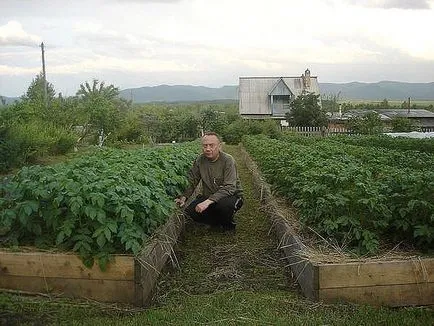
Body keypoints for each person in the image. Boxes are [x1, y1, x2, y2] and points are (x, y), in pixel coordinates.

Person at [175, 132, 243, 231]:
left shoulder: (228, 160)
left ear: (219, 146)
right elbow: (193, 179)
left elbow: (230, 187)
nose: (207, 149)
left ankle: (228, 225)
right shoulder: (200, 160)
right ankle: (215, 222)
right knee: (191, 211)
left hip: (231, 196)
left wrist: (207, 202)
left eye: (211, 145)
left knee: (224, 206)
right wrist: (184, 197)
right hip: (209, 196)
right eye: (205, 145)